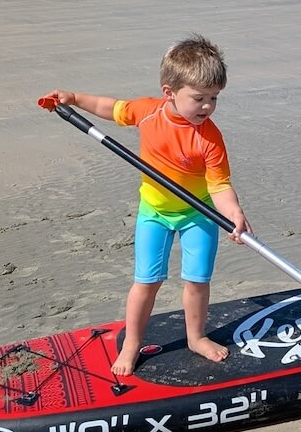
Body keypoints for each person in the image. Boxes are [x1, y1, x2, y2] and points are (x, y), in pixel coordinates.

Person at [38, 35, 249, 373]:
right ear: (169, 92)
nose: (207, 106)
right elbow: (111, 108)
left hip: (199, 214)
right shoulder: (148, 113)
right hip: (154, 213)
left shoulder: (210, 137)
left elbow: (219, 184)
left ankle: (196, 337)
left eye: (214, 98)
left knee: (197, 280)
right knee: (147, 281)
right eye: (199, 98)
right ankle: (132, 344)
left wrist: (233, 213)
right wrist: (74, 98)